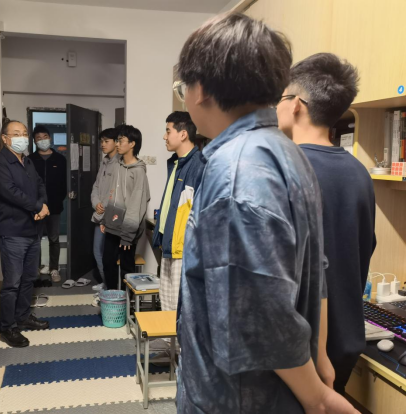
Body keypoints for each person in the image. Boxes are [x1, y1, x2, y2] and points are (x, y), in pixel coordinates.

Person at [176, 13, 359, 413]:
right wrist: (319, 359)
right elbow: (316, 266)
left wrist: (317, 397)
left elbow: (260, 315)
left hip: (238, 397)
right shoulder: (285, 151)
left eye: (181, 88)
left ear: (200, 89)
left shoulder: (236, 171)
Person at [277, 53, 377, 395]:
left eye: (281, 97)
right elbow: (364, 248)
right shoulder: (360, 173)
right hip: (346, 341)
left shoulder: (286, 170)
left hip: (298, 353)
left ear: (296, 104)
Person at [0, 120, 50, 348]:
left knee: (29, 278)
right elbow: (10, 192)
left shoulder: (27, 161)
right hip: (12, 231)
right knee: (12, 283)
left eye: (24, 133)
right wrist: (37, 207)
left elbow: (40, 185)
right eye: (16, 134)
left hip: (32, 229)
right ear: (5, 138)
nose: (22, 137)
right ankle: (8, 327)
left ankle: (23, 316)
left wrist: (42, 205)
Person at [152, 112, 204, 311]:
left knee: (180, 309)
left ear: (183, 134)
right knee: (167, 306)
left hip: (183, 250)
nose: (164, 136)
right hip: (169, 244)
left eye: (168, 131)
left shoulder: (199, 165)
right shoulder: (175, 163)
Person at [101, 125, 150, 291]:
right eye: (117, 140)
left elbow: (137, 204)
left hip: (128, 229)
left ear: (132, 144)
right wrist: (105, 220)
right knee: (108, 263)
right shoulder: (117, 166)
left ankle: (126, 301)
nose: (117, 144)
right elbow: (112, 195)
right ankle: (113, 298)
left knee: (127, 268)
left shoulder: (138, 171)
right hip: (113, 225)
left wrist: (128, 236)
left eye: (121, 141)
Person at [29, 125, 67, 283]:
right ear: (34, 141)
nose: (42, 140)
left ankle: (54, 268)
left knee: (54, 239)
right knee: (35, 239)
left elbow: (64, 184)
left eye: (45, 137)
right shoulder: (30, 160)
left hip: (54, 207)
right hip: (35, 207)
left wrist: (57, 200)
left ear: (49, 138)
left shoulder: (60, 159)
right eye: (38, 138)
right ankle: (36, 269)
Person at [90, 127, 120, 292]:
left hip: (111, 216)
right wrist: (96, 203)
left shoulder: (120, 163)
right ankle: (106, 284)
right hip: (99, 213)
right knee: (98, 251)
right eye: (101, 141)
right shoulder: (104, 162)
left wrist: (105, 207)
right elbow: (96, 187)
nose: (102, 144)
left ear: (116, 142)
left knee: (109, 254)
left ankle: (110, 288)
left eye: (106, 141)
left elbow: (117, 193)